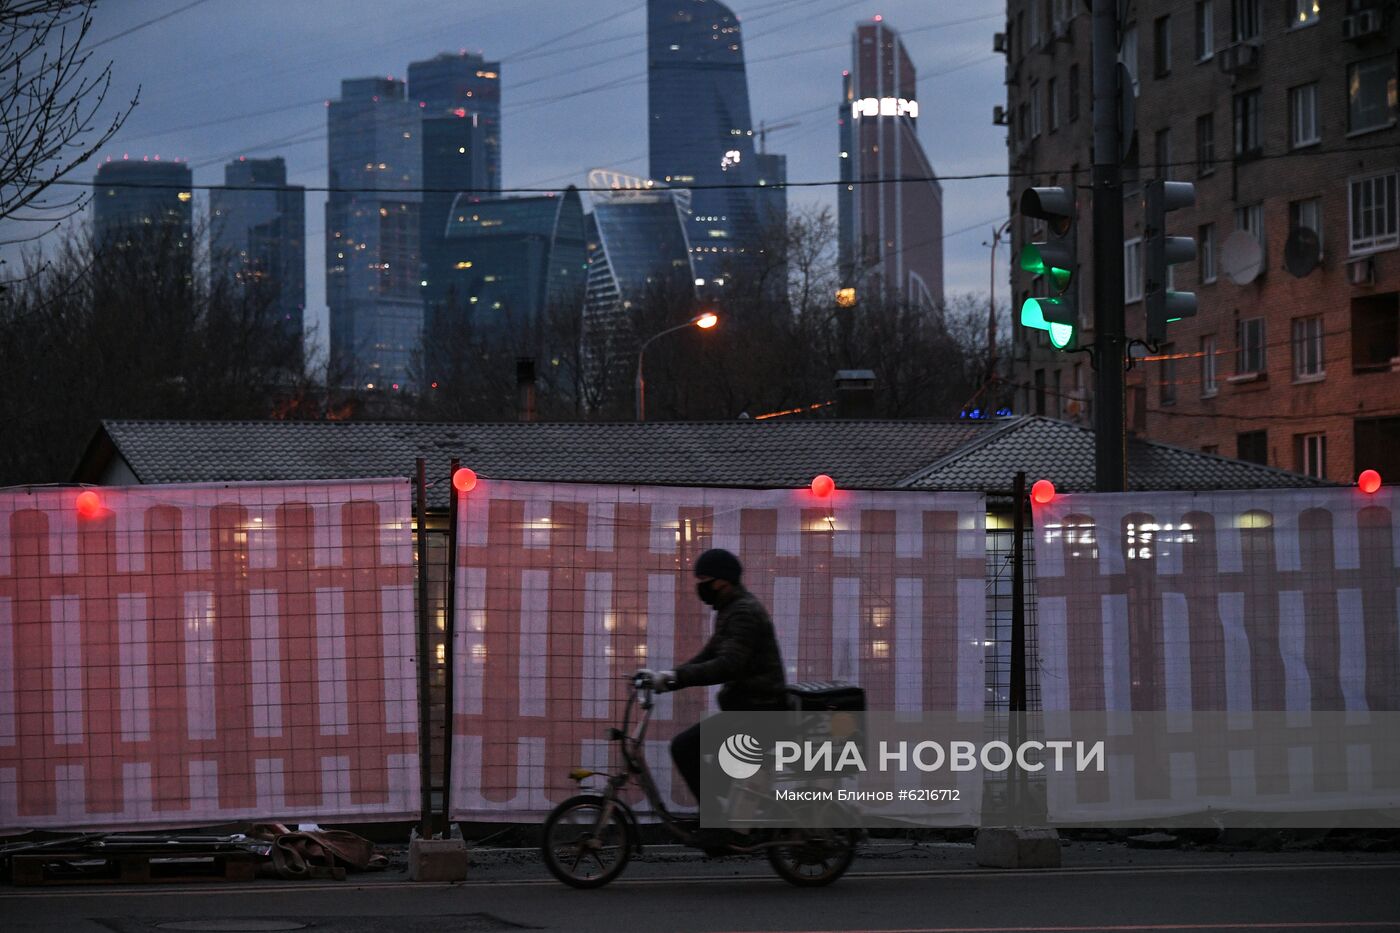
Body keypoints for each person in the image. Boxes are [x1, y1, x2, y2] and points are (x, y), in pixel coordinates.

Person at [647, 547, 787, 811]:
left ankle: (719, 822)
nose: (700, 587)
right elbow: (710, 653)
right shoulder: (731, 609)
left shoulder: (743, 612)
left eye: (703, 580)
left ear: (721, 580)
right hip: (750, 710)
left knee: (685, 747)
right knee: (704, 762)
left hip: (761, 712)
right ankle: (738, 814)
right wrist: (668, 678)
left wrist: (676, 676)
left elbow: (727, 664)